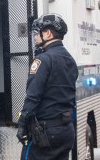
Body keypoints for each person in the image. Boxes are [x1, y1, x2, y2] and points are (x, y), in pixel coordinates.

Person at [16, 14, 78, 160]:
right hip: (66, 131)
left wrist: (22, 124)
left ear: (48, 33)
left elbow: (33, 96)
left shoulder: (43, 60)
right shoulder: (70, 60)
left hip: (45, 133)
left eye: (37, 33)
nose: (35, 37)